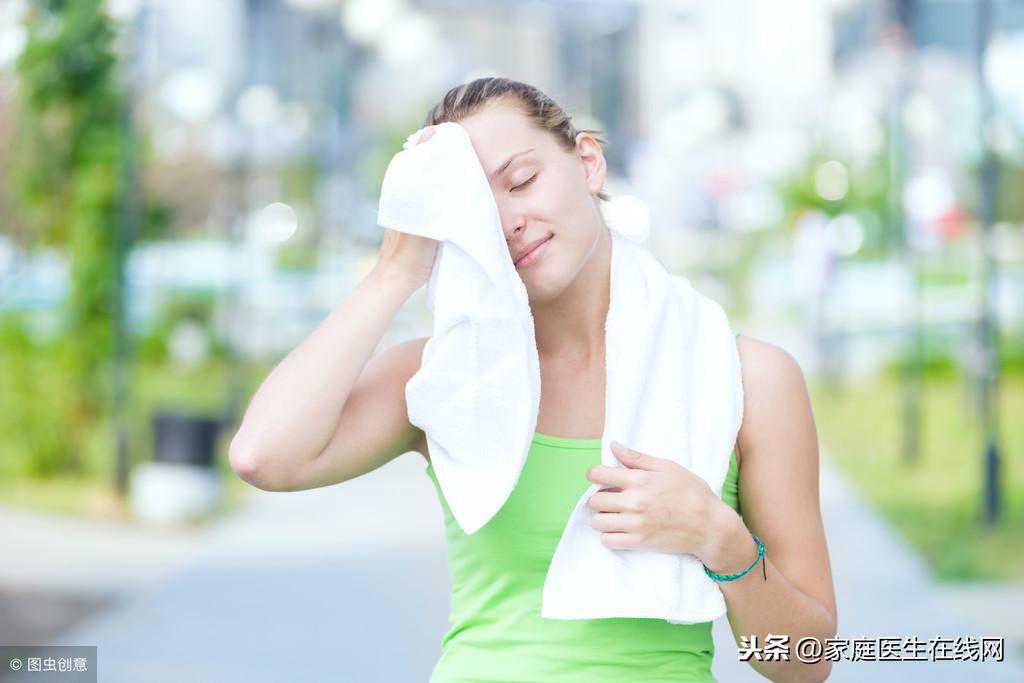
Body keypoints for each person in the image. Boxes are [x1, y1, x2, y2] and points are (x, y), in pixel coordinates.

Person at [229, 77, 837, 683]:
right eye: (475, 209)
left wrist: (720, 539)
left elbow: (806, 666)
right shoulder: (445, 374)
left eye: (521, 181)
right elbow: (264, 457)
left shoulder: (748, 378)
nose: (507, 222)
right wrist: (395, 270)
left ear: (588, 162)